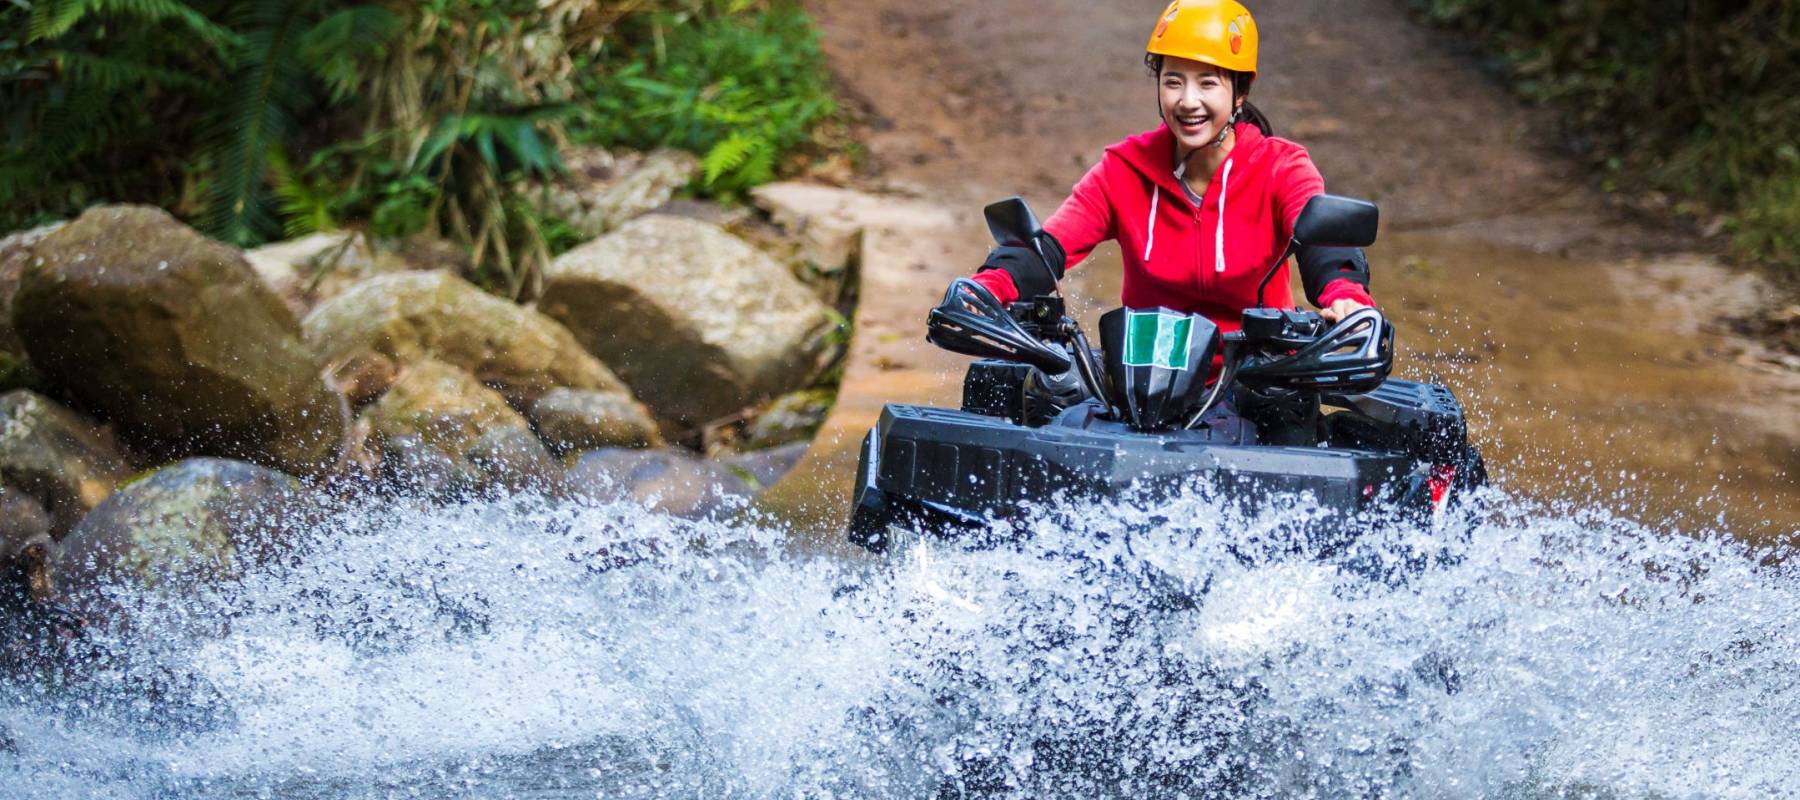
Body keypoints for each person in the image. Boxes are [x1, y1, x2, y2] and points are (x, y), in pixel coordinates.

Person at [962, 0, 1375, 331]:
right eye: (1173, 81)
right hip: (1143, 386)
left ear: (1240, 91)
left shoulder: (1281, 167)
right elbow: (1051, 245)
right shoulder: (1124, 168)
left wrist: (1346, 297)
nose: (1188, 101)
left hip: (1261, 381)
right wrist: (989, 285)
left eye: (1208, 82)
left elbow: (1325, 244)